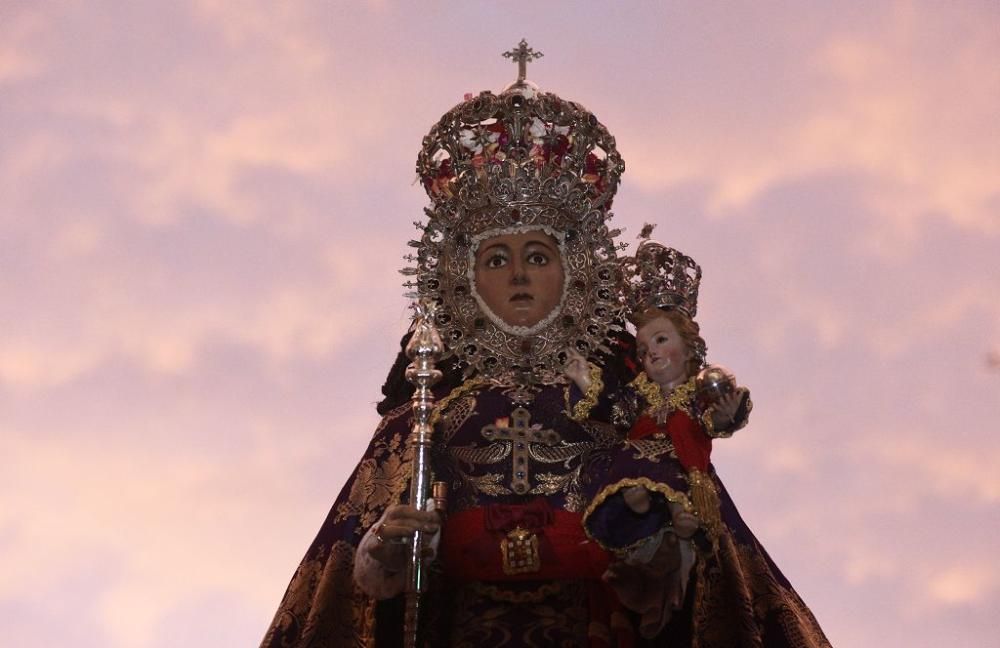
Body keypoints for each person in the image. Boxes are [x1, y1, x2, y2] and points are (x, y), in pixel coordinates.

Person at [260, 43, 640, 646]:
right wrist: (393, 545)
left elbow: (696, 552)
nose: (517, 275)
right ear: (462, 276)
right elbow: (355, 576)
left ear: (576, 273)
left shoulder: (620, 405)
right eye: (497, 258)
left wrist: (656, 543)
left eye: (537, 256)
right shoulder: (427, 413)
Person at [565, 236, 831, 645]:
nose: (650, 352)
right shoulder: (640, 395)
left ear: (689, 349)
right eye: (642, 346)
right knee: (632, 484)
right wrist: (585, 379)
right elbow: (614, 410)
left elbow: (720, 417)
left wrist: (728, 410)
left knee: (702, 559)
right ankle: (650, 535)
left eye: (660, 340)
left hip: (688, 476)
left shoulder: (696, 391)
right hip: (637, 465)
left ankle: (677, 519)